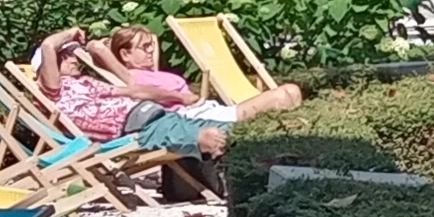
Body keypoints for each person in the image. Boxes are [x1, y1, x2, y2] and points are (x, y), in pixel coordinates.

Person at [33, 24, 299, 158]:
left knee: (239, 131)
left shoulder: (88, 83)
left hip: (156, 114)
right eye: (65, 57)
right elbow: (47, 46)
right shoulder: (55, 90)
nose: (73, 59)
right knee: (210, 137)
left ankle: (282, 153)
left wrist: (177, 98)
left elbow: (135, 92)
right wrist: (71, 33)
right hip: (135, 129)